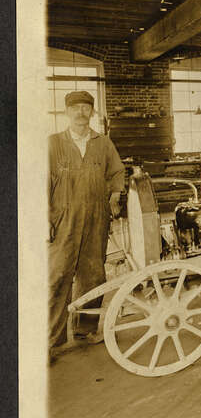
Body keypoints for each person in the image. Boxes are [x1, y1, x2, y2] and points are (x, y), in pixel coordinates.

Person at [49, 90, 125, 355]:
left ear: (92, 112)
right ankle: (52, 340)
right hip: (63, 219)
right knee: (58, 276)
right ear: (66, 112)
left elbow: (116, 172)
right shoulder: (53, 144)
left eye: (85, 108)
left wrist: (114, 196)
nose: (80, 113)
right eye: (75, 108)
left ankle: (86, 329)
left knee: (93, 274)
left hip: (96, 217)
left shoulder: (103, 143)